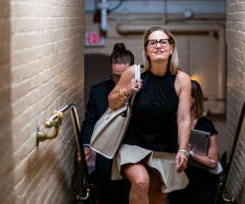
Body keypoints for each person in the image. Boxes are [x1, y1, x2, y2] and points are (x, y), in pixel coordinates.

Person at [108, 26, 192, 204]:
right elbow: (112, 102)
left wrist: (183, 149)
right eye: (152, 42)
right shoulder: (134, 72)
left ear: (171, 48)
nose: (158, 46)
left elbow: (184, 118)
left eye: (163, 42)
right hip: (133, 143)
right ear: (146, 49)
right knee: (140, 182)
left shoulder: (181, 79)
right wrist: (128, 90)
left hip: (164, 147)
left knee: (157, 196)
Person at [78, 43, 134, 204]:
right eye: (116, 76)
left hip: (133, 154)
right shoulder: (98, 91)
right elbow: (89, 121)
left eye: (123, 76)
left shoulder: (141, 91)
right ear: (110, 71)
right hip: (106, 157)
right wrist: (86, 145)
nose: (119, 81)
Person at [168, 80, 220, 204]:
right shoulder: (172, 121)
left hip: (201, 181)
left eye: (185, 96)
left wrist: (190, 153)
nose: (181, 99)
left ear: (195, 99)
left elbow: (213, 163)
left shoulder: (206, 125)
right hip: (177, 179)